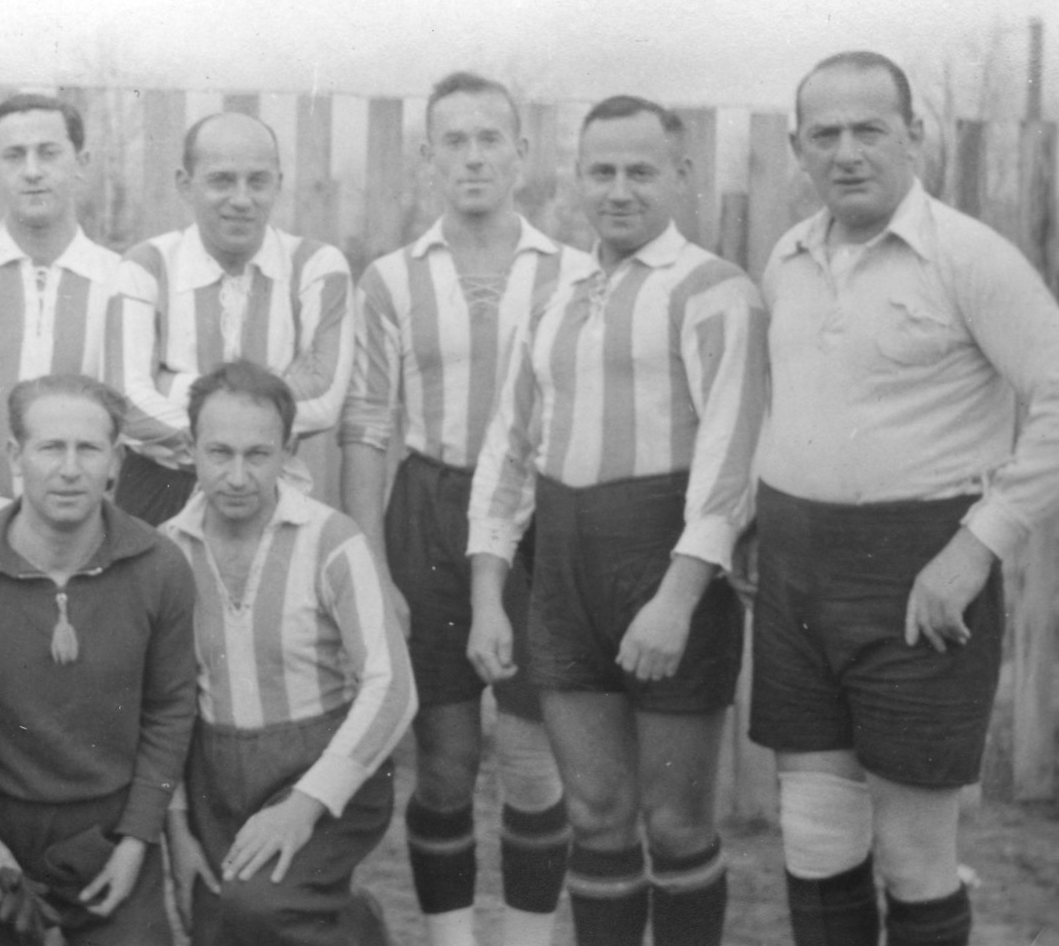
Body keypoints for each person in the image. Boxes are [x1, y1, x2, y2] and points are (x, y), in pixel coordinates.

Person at [750, 52, 1059, 946]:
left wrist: (976, 548)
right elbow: (799, 400)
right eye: (826, 134)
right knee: (814, 840)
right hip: (800, 576)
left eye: (870, 130)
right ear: (798, 147)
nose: (847, 153)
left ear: (913, 136)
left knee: (916, 855)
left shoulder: (970, 257)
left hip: (923, 574)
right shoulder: (789, 255)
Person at [468, 96, 766, 946]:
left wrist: (677, 600)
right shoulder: (557, 298)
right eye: (602, 171)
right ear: (576, 180)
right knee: (595, 814)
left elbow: (730, 458)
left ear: (681, 176)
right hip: (564, 576)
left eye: (642, 170)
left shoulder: (715, 292)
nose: (620, 190)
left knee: (675, 824)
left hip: (665, 572)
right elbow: (508, 453)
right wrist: (490, 595)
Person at [341, 72, 585, 946]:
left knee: (528, 757)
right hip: (430, 511)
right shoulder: (391, 279)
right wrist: (372, 561)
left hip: (537, 520)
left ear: (522, 154)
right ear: (428, 158)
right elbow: (367, 426)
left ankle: (524, 937)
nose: (474, 156)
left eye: (491, 138)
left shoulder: (575, 274)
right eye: (455, 140)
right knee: (443, 763)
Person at [0, 374, 196, 944]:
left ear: (116, 459)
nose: (70, 469)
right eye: (51, 448)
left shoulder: (160, 567)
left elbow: (170, 710)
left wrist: (137, 841)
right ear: (16, 455)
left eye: (89, 449)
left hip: (108, 833)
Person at [162, 361, 415, 946]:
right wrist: (177, 830)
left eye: (259, 454)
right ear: (190, 450)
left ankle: (357, 930)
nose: (238, 476)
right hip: (216, 776)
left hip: (319, 765)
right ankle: (344, 916)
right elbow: (161, 701)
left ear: (287, 451)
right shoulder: (166, 552)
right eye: (219, 453)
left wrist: (303, 806)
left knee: (263, 908)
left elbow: (393, 688)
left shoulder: (332, 540)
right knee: (217, 925)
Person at [107, 112, 354, 525]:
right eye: (222, 180)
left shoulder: (317, 266)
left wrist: (170, 383)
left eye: (257, 181)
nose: (241, 199)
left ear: (278, 182)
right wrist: (263, 413)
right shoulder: (146, 266)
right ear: (186, 185)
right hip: (160, 488)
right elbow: (127, 402)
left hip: (271, 488)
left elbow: (324, 399)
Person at [0, 94, 121, 541]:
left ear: (81, 162)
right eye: (14, 155)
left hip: (83, 530)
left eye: (49, 153)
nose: (32, 171)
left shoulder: (120, 280)